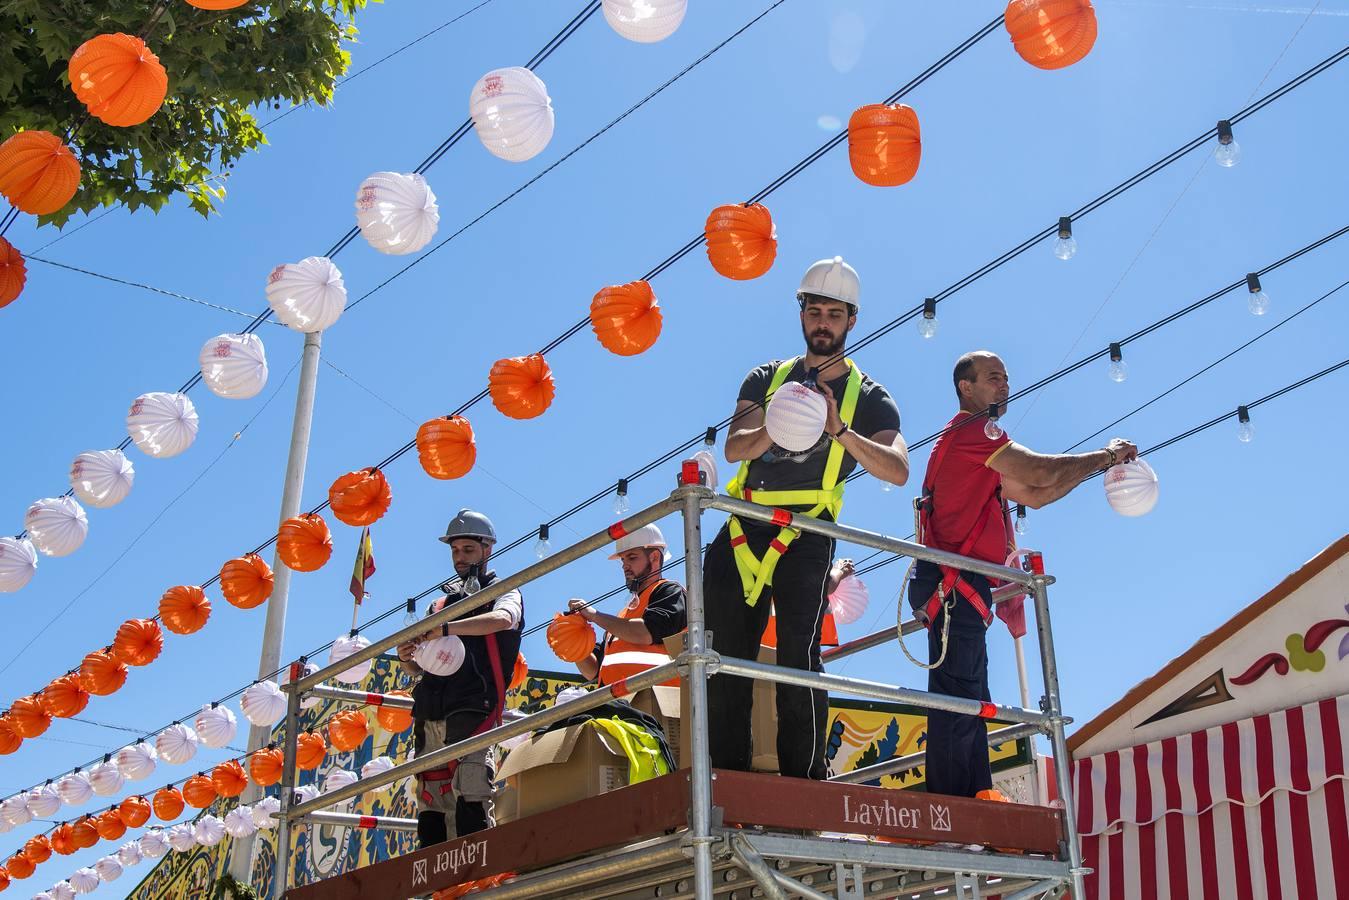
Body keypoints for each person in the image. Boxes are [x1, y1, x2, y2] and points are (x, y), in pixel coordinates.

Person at [705, 256, 909, 780]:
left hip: (807, 534)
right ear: (801, 314)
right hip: (743, 526)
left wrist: (839, 428)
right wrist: (778, 425)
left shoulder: (869, 397)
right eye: (814, 311)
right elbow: (734, 447)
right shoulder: (767, 377)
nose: (823, 322)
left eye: (834, 314)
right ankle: (726, 783)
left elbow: (898, 468)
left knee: (799, 656)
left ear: (851, 322)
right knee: (725, 660)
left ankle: (805, 785)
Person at [910, 351, 1136, 798]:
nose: (1004, 386)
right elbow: (1039, 471)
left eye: (1006, 379)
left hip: (954, 583)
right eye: (993, 378)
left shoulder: (968, 445)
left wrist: (1100, 466)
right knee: (962, 693)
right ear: (966, 388)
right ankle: (958, 800)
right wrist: (1107, 457)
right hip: (957, 581)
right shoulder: (976, 431)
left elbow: (1037, 493)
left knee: (968, 690)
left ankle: (972, 791)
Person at [396, 508, 523, 848]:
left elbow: (502, 620)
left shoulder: (504, 591)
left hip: (475, 707)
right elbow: (419, 669)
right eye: (455, 551)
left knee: (472, 791)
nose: (460, 558)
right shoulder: (439, 605)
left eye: (468, 550)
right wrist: (407, 657)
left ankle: (475, 881)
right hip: (430, 712)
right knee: (432, 799)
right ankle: (437, 887)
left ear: (488, 550)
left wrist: (447, 628)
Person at [568, 524, 686, 691]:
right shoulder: (623, 617)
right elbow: (594, 671)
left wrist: (594, 615)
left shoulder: (669, 592)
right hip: (620, 707)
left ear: (654, 557)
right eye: (622, 560)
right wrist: (573, 645)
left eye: (631, 557)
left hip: (656, 704)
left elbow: (646, 633)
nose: (624, 566)